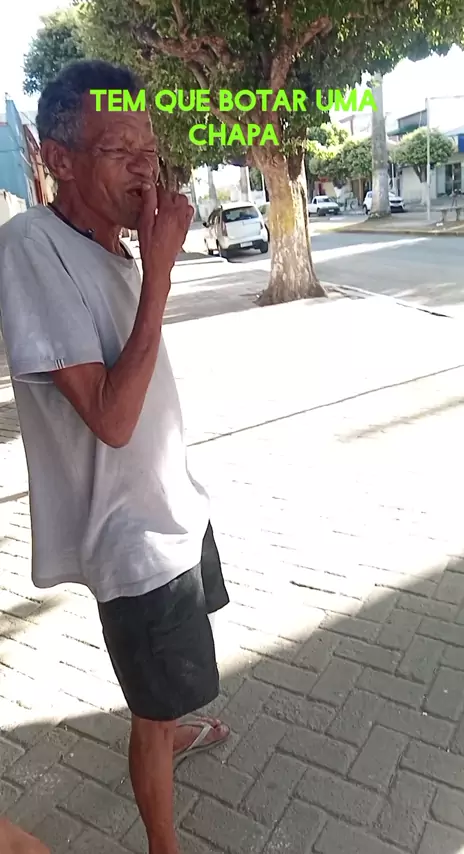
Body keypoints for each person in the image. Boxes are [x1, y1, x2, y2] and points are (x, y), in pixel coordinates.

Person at [0, 59, 230, 854]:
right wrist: (161, 270)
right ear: (58, 159)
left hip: (175, 508)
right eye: (120, 150)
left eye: (150, 150)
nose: (144, 168)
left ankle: (170, 727)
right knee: (151, 709)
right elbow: (111, 418)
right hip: (130, 542)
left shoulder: (114, 245)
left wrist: (147, 261)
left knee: (172, 685)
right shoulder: (30, 246)